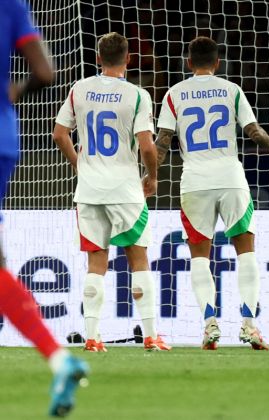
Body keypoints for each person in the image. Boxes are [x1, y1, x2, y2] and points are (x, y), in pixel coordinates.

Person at [154, 36, 269, 350]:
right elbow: (253, 131)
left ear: (188, 63)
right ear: (217, 63)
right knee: (246, 251)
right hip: (230, 177)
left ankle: (209, 323)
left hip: (194, 181)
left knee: (200, 256)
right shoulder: (231, 89)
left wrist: (148, 174)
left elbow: (162, 142)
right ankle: (250, 325)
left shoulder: (174, 94)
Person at [52, 32, 171, 352]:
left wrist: (79, 165)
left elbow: (60, 133)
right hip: (125, 189)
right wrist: (152, 176)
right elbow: (147, 146)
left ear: (98, 58)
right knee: (139, 259)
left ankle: (92, 338)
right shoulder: (137, 95)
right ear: (129, 58)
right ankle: (149, 335)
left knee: (96, 263)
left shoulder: (79, 89)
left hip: (89, 191)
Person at [1, 0, 88, 416]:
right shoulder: (12, 6)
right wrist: (13, 92)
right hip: (5, 138)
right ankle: (58, 358)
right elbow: (45, 72)